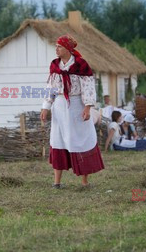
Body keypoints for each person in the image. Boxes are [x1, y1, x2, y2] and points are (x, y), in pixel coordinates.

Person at [40, 34, 105, 188]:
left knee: (80, 140)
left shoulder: (80, 65)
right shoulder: (55, 65)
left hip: (77, 106)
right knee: (58, 140)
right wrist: (45, 107)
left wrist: (88, 107)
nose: (56, 49)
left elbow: (88, 87)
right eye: (56, 46)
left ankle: (84, 181)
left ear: (68, 49)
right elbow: (51, 88)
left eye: (60, 46)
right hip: (60, 106)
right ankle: (57, 182)